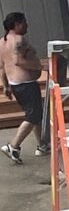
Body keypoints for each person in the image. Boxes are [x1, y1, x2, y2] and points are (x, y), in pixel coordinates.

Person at [1, 11, 49, 163]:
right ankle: (13, 146)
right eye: (24, 22)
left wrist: (6, 86)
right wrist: (41, 67)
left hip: (16, 84)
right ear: (17, 24)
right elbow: (19, 61)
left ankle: (42, 145)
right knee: (33, 115)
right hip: (25, 84)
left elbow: (2, 66)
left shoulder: (2, 41)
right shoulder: (19, 40)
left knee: (34, 114)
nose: (27, 25)